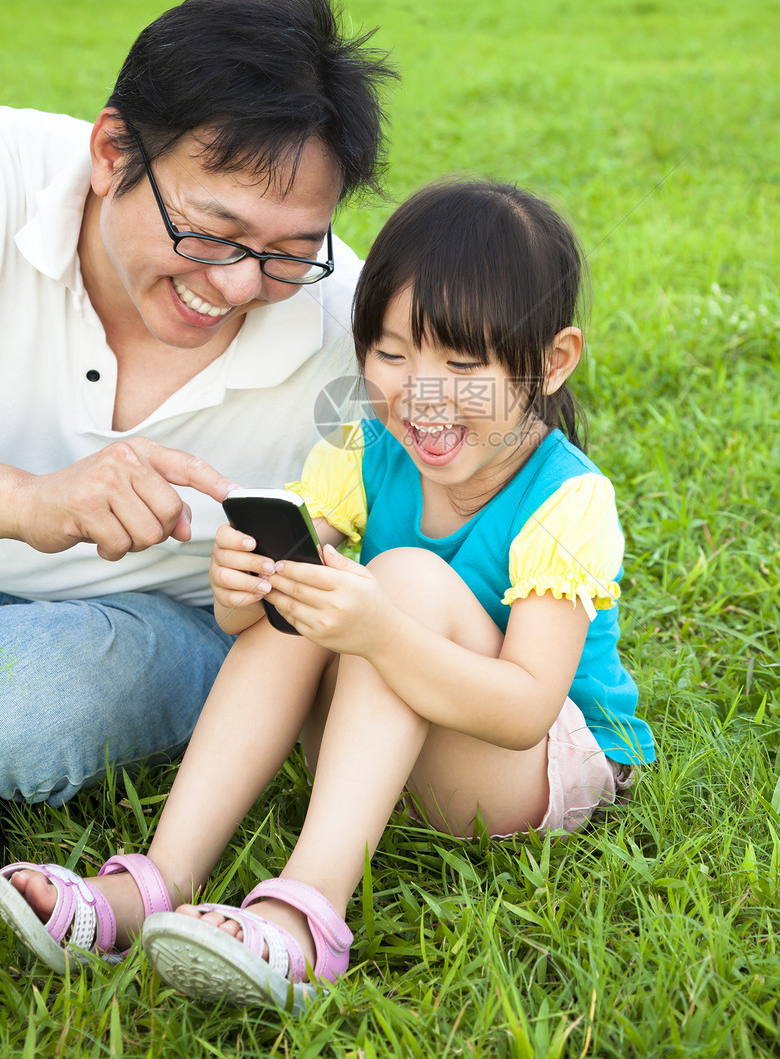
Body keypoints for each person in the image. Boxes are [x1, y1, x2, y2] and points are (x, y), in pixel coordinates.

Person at [0, 180, 655, 1008]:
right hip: (379, 746)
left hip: (526, 769)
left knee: (400, 582)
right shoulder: (365, 447)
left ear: (552, 361)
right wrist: (241, 585)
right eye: (390, 354)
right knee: (308, 573)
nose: (421, 394)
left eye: (462, 364)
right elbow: (263, 625)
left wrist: (381, 631)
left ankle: (305, 916)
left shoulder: (568, 498)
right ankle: (153, 882)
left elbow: (526, 708)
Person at [0, 0, 395, 807]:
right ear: (113, 154)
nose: (242, 282)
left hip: (149, 631)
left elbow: (502, 482)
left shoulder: (358, 333)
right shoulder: (9, 177)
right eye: (211, 232)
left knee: (32, 701)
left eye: (292, 249)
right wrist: (28, 500)